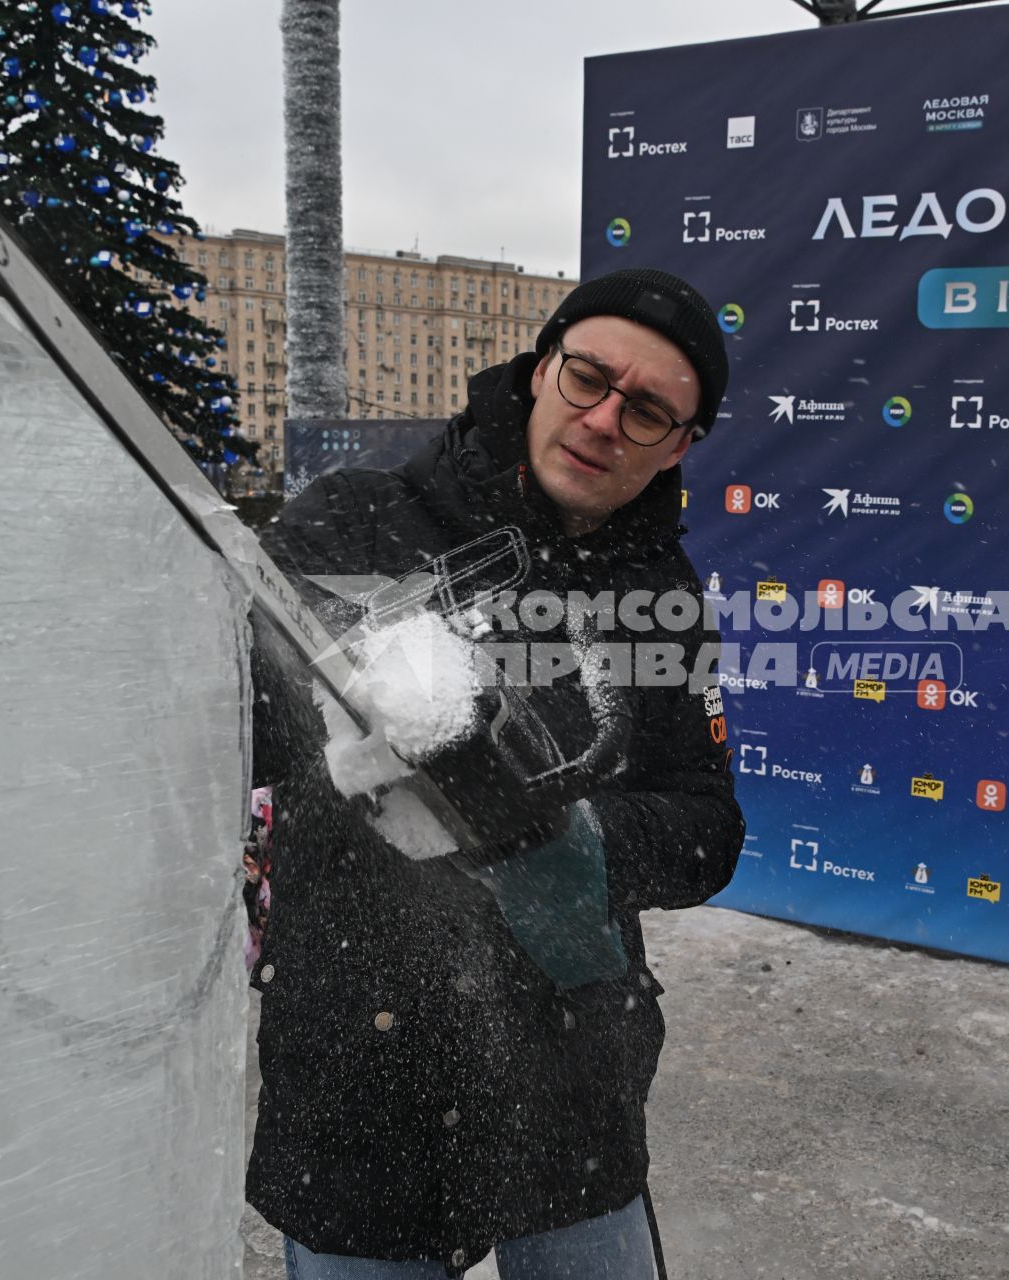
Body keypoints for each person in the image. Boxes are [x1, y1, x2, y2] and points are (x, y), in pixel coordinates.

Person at [245, 268, 745, 1279]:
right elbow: (216, 729)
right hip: (355, 1086)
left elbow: (707, 826)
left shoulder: (663, 594)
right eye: (588, 377)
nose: (604, 419)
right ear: (537, 369)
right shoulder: (353, 522)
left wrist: (578, 842)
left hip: (571, 1084)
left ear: (682, 444)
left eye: (647, 409)